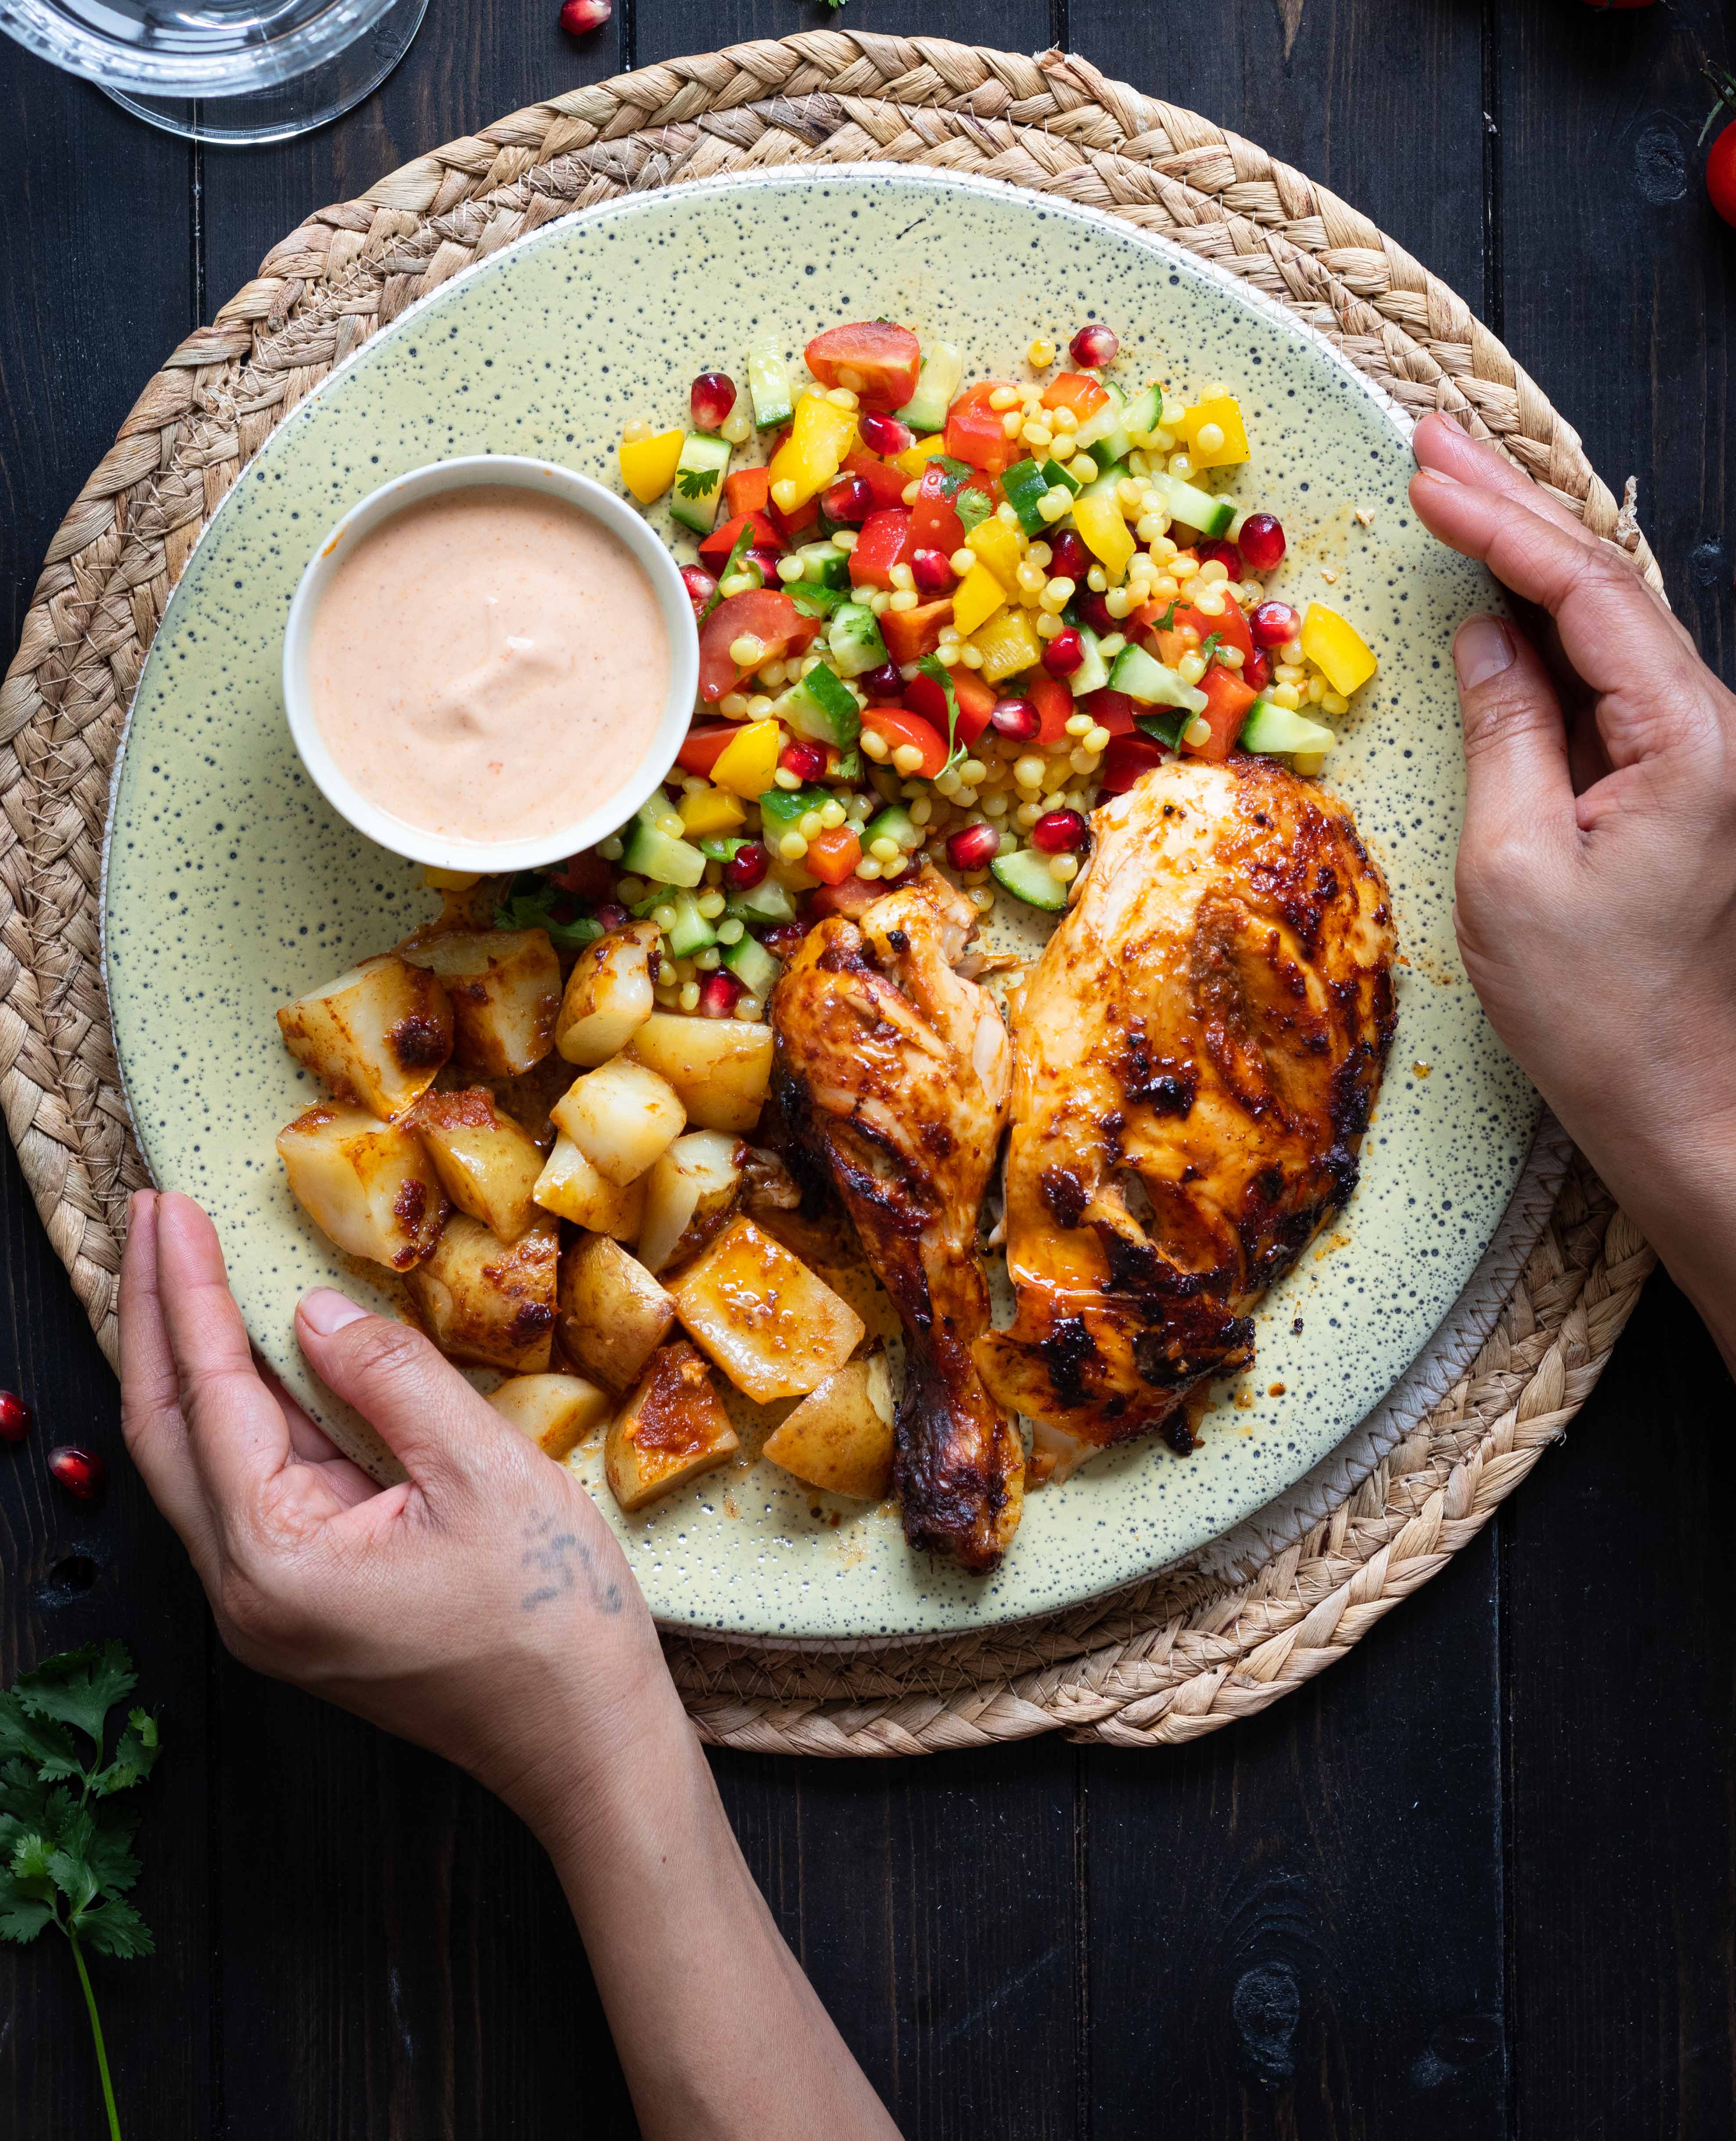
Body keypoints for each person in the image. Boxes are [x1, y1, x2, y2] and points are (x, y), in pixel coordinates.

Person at [117, 411, 1736, 2140]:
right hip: (1141, 1276)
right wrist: (1680, 1105)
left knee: (879, 973)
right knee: (896, 983)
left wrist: (590, 1749)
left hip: (1119, 1293)